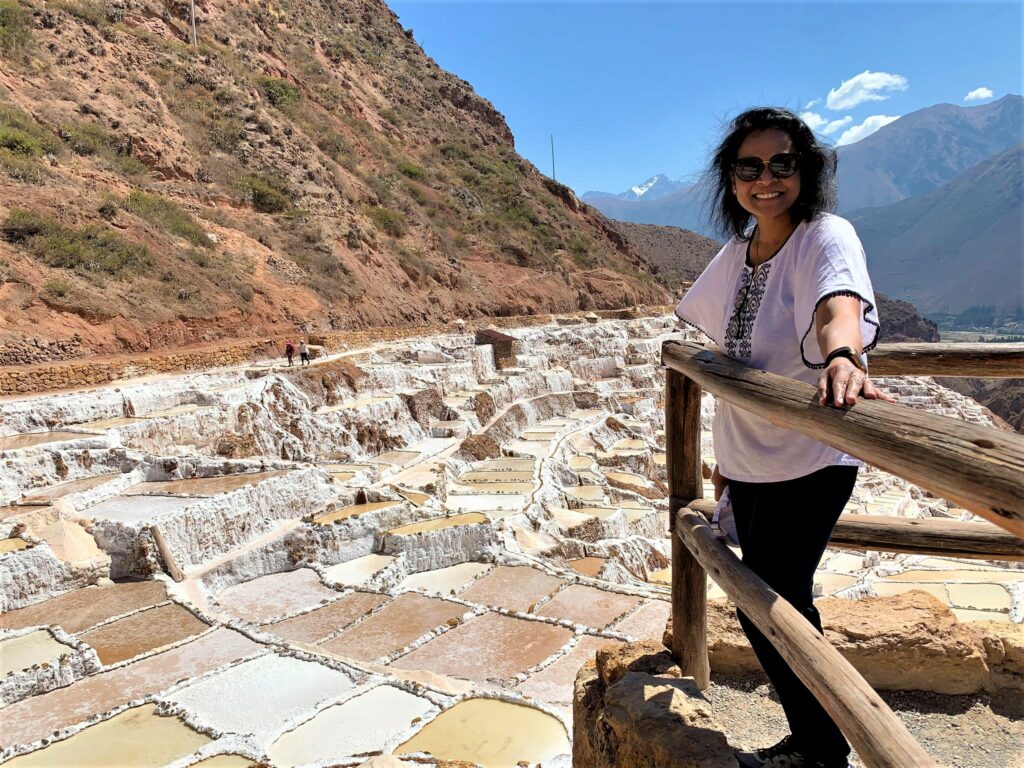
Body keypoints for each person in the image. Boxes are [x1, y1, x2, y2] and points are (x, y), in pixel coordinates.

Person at [674, 107, 895, 768]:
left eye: (781, 164)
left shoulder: (825, 235)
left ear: (806, 170)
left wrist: (844, 357)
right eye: (749, 167)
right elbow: (727, 345)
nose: (765, 179)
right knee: (763, 605)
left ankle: (825, 751)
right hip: (750, 463)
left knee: (778, 607)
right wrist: (726, 464)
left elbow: (838, 306)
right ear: (731, 178)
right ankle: (815, 738)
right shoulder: (739, 252)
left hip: (807, 461)